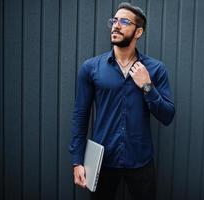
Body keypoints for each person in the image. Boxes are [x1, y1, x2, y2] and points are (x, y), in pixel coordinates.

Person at [69, 2, 175, 200]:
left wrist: (147, 86)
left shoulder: (155, 69)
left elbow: (168, 115)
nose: (116, 25)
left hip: (141, 162)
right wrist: (77, 161)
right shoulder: (91, 68)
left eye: (124, 21)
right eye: (114, 20)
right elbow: (80, 115)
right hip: (103, 162)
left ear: (138, 32)